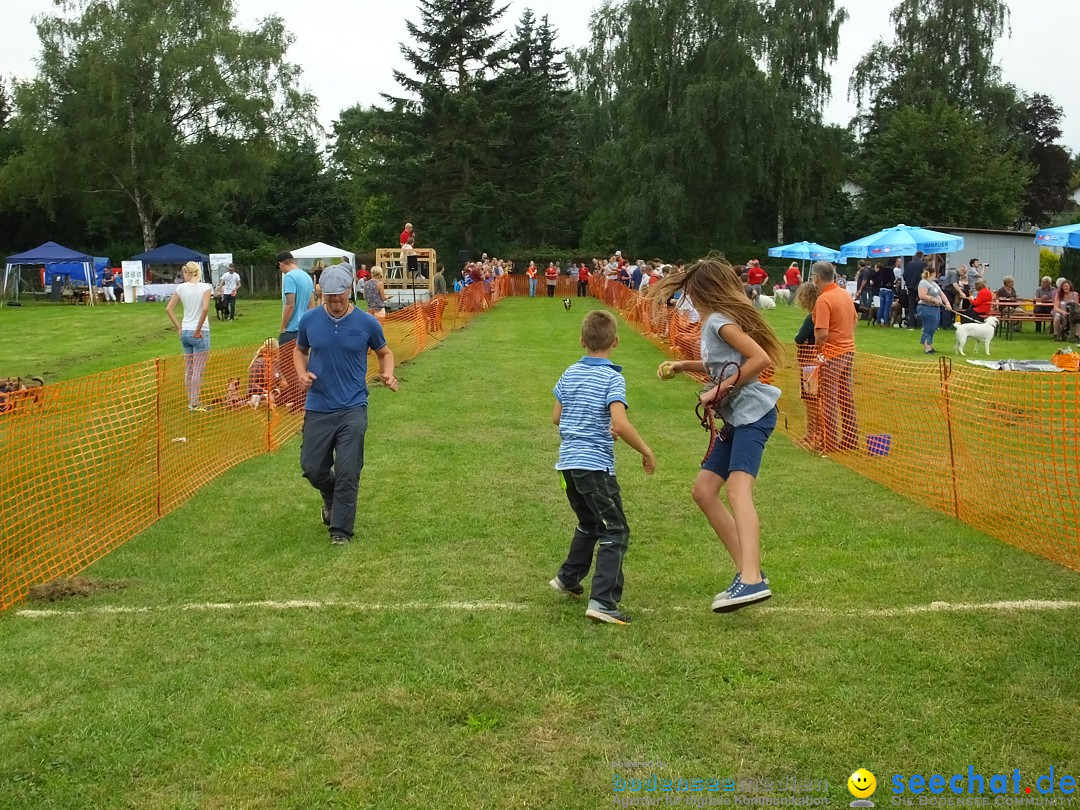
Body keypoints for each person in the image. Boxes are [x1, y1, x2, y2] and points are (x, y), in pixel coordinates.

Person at [649, 257, 783, 612]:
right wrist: (683, 365)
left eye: (691, 290)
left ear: (703, 290)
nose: (687, 297)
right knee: (704, 492)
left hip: (754, 415)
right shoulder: (713, 322)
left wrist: (717, 390)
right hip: (736, 419)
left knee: (739, 492)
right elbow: (722, 363)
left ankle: (752, 578)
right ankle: (748, 573)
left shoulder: (720, 322)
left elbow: (759, 359)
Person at [549, 310, 655, 625]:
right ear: (616, 342)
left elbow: (557, 417)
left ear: (583, 341)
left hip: (567, 466)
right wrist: (646, 450)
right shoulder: (612, 377)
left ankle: (568, 578)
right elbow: (619, 424)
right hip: (594, 467)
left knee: (589, 522)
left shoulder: (569, 373)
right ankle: (603, 602)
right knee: (615, 529)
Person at [294, 265, 398, 546]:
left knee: (348, 469)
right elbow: (299, 350)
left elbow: (384, 352)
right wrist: (302, 373)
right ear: (322, 294)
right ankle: (330, 496)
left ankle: (340, 530)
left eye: (339, 296)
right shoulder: (310, 320)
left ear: (350, 291)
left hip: (353, 406)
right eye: (329, 298)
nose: (335, 302)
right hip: (318, 405)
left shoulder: (367, 323)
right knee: (312, 468)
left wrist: (387, 372)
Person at [811, 261, 858, 452]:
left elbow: (821, 333)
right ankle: (850, 438)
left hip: (832, 353)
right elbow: (854, 321)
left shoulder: (824, 299)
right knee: (845, 396)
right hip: (848, 350)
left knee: (828, 398)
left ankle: (829, 442)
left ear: (816, 278)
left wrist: (818, 351)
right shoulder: (844, 294)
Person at [165, 261, 213, 412]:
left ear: (188, 273)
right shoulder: (205, 287)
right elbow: (205, 308)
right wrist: (198, 328)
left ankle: (191, 400)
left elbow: (169, 309)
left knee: (189, 369)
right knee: (198, 370)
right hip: (199, 332)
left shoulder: (180, 288)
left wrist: (179, 327)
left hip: (185, 330)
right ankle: (194, 403)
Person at [794, 282, 823, 451]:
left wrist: (800, 339)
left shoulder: (812, 317)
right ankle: (811, 433)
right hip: (815, 362)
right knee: (811, 401)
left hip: (809, 364)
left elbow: (800, 338)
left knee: (811, 402)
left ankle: (814, 434)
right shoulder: (820, 314)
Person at [916, 266, 951, 355]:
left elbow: (941, 294)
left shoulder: (933, 283)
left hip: (935, 308)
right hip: (926, 308)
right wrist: (933, 299)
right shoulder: (923, 283)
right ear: (933, 273)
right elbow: (922, 295)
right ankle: (926, 347)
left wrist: (947, 303)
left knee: (933, 327)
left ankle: (930, 345)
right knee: (928, 327)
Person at [903, 252, 927, 328]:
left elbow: (904, 275)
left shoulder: (909, 264)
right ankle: (922, 323)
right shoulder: (924, 264)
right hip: (920, 286)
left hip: (910, 287)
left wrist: (908, 282)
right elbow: (926, 275)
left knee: (911, 306)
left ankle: (911, 324)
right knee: (923, 304)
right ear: (922, 256)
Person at [873, 262, 895, 327]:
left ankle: (878, 321)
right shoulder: (890, 270)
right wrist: (890, 283)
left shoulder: (881, 271)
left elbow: (874, 277)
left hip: (881, 289)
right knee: (887, 307)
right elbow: (893, 278)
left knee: (881, 307)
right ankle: (886, 322)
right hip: (888, 290)